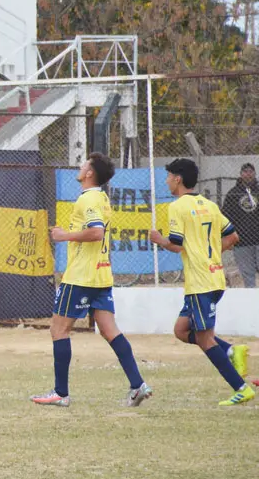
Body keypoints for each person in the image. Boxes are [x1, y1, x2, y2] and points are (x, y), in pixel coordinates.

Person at [31, 154, 152, 408]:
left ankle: (60, 393)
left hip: (81, 276)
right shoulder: (102, 197)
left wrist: (64, 236)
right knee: (110, 331)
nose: (80, 166)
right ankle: (138, 384)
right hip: (101, 274)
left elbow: (96, 232)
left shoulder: (88, 199)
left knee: (58, 329)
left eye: (84, 163)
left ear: (89, 173)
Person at [150, 158, 254, 406]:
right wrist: (210, 254)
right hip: (214, 277)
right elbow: (233, 236)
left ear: (178, 178)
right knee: (181, 330)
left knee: (206, 339)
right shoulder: (209, 204)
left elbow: (176, 244)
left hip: (200, 282)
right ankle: (230, 350)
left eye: (168, 176)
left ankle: (241, 387)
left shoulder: (177, 207)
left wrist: (159, 239)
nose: (166, 181)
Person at [221, 162, 259, 288]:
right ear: (241, 174)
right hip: (241, 242)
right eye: (245, 171)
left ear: (254, 173)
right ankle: (252, 299)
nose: (248, 174)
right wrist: (229, 237)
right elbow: (225, 216)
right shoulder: (233, 193)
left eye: (250, 171)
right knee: (248, 275)